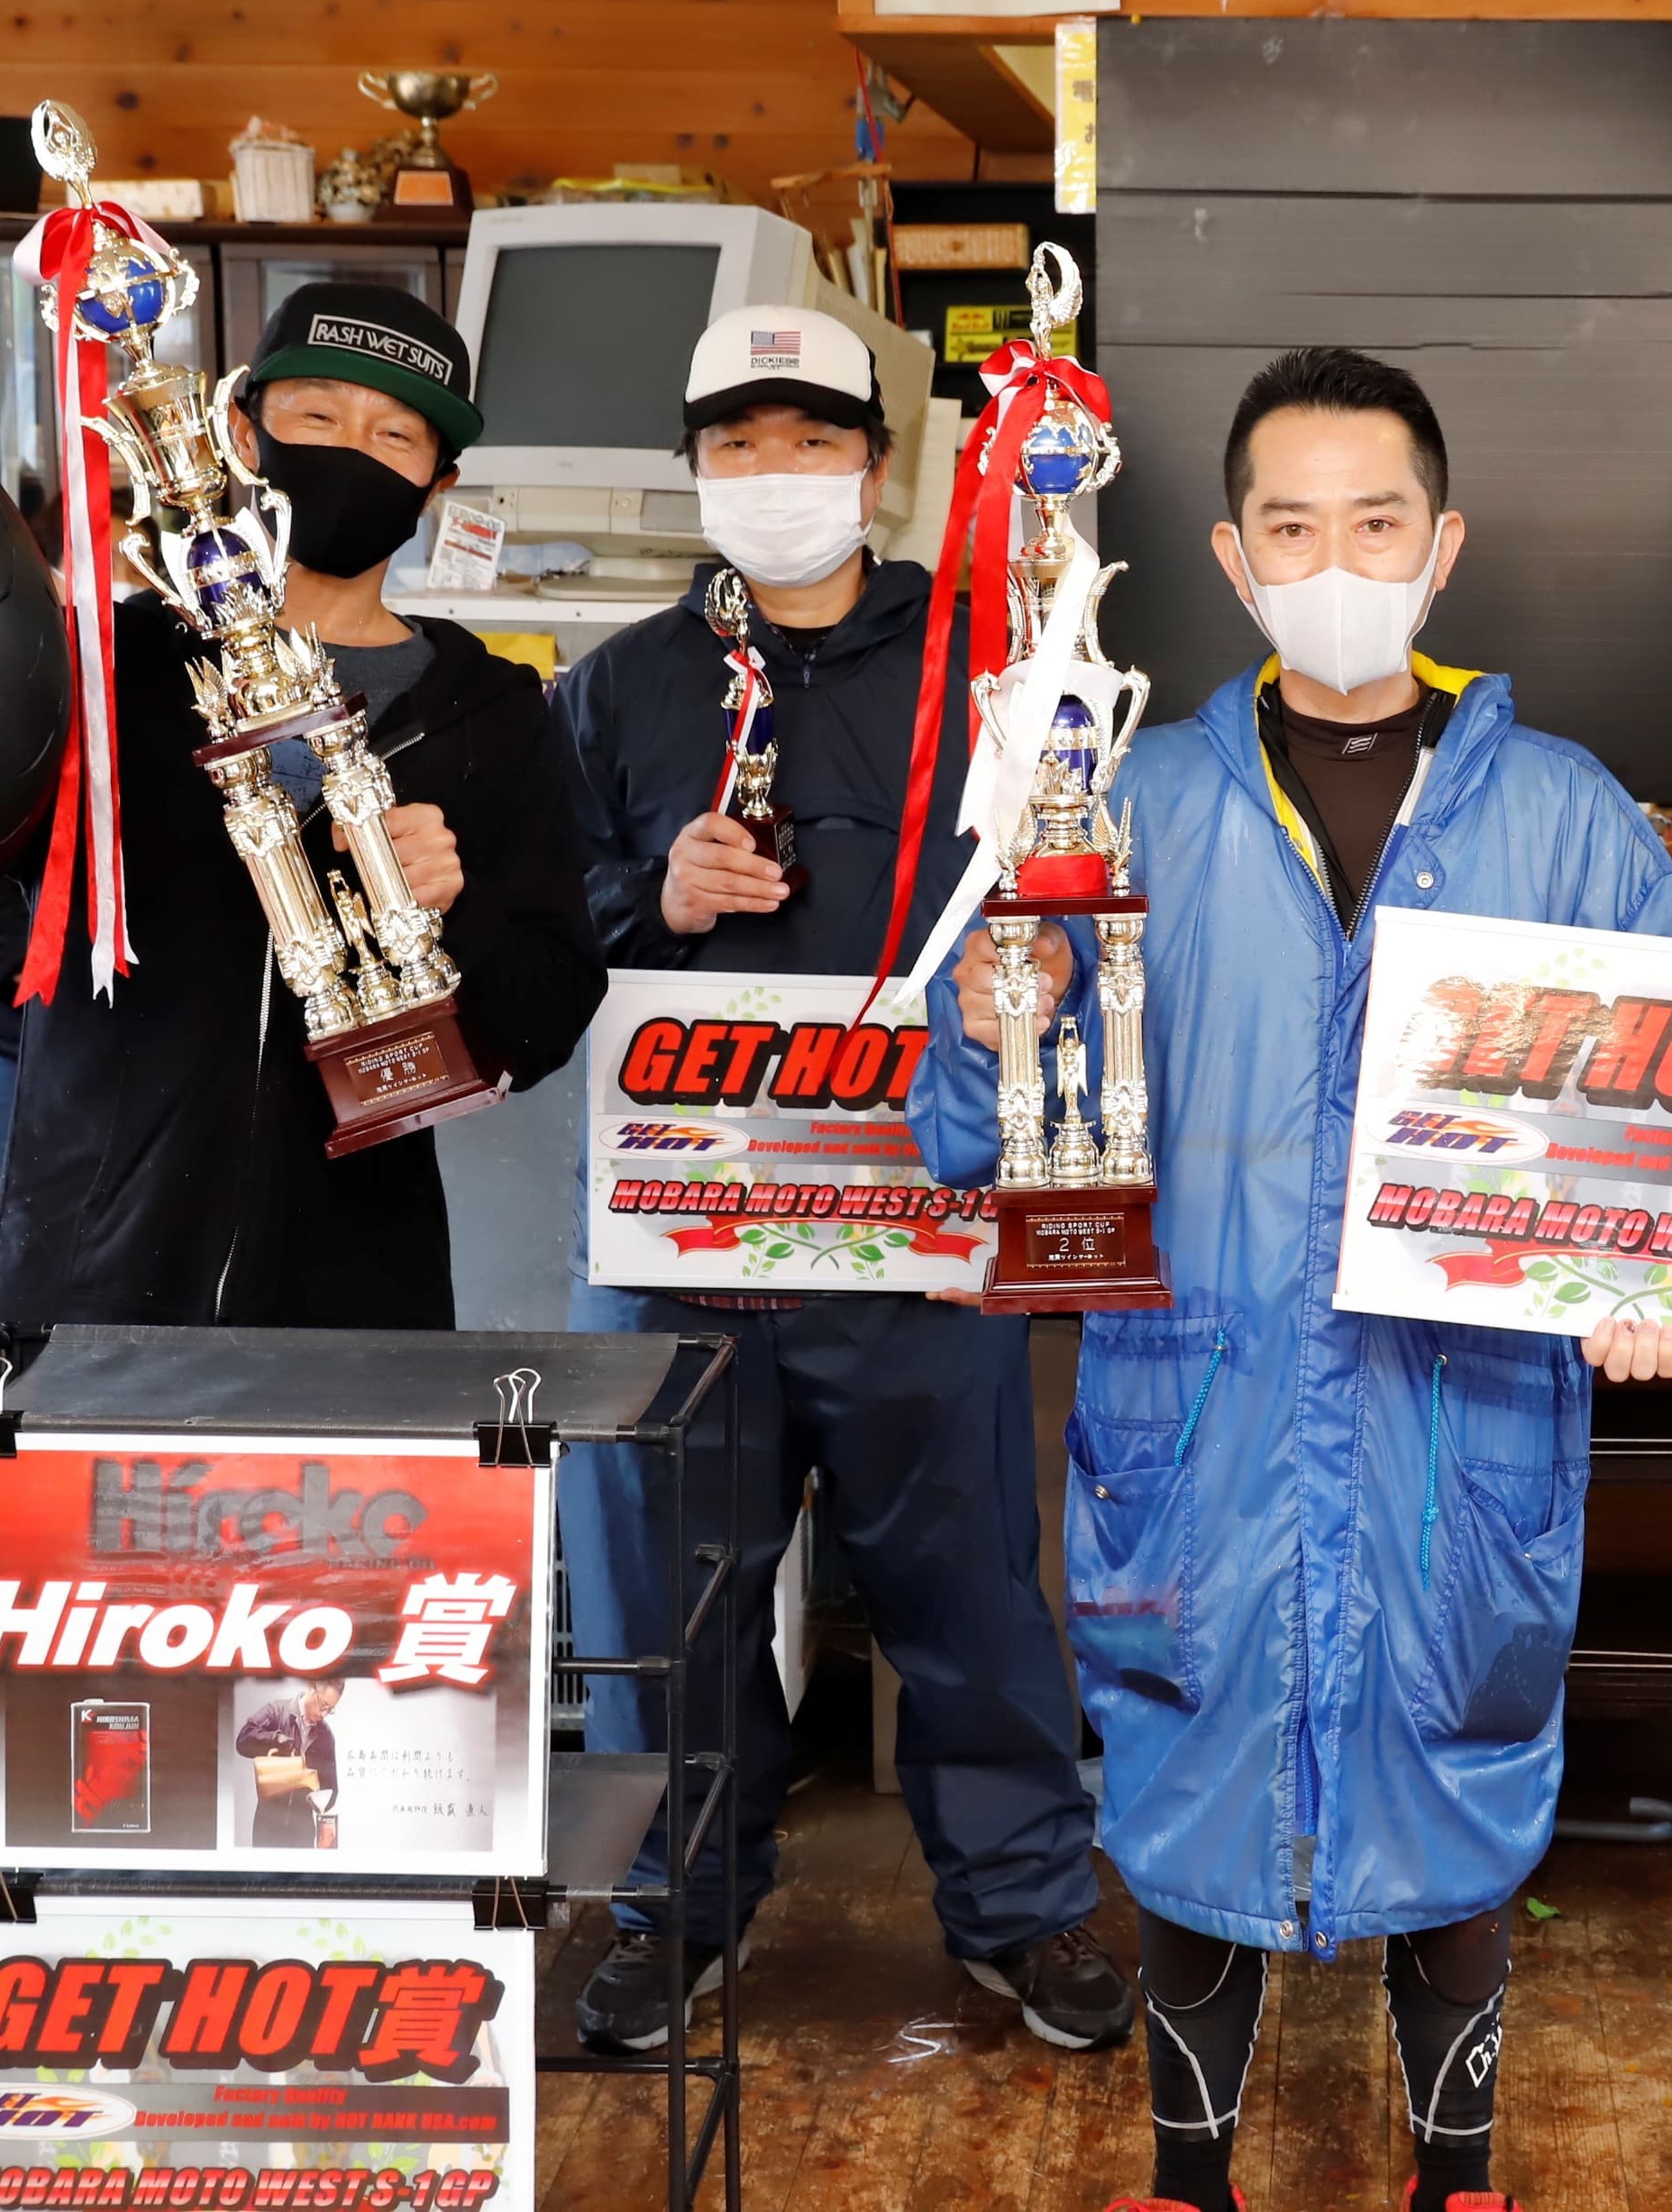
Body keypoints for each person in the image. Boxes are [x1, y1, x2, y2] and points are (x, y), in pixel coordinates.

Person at [912, 346, 1672, 2212]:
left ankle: (1458, 2180)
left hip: (1464, 1407)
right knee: (1190, 1762)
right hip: (1202, 1396)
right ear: (1228, 555)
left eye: (1374, 523)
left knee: (1457, 1756)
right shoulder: (1125, 796)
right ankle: (1187, 2185)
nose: (1333, 562)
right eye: (1290, 527)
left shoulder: (1566, 814)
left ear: (1443, 547)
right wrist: (994, 1006)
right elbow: (970, 1132)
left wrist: (1647, 1275)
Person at [551, 307, 1127, 2057]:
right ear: (694, 469)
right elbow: (534, 929)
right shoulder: (618, 685)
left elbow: (1082, 894)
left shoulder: (1000, 662)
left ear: (878, 465)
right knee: (662, 1599)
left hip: (913, 1221)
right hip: (680, 1232)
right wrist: (654, 898)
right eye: (737, 444)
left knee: (967, 1593)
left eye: (810, 441)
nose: (775, 474)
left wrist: (1040, 1008)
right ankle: (672, 1907)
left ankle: (1021, 1907)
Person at [0, 280, 605, 1330]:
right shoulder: (100, 665)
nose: (350, 453)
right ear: (241, 433)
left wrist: (456, 913)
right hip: (86, 1283)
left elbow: (543, 1021)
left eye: (394, 436)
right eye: (316, 416)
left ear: (437, 483)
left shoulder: (492, 714)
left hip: (357, 1305)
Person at [236, 1678, 346, 1848]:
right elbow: (243, 1740)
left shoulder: (325, 1736)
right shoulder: (276, 1711)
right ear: (311, 1687)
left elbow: (332, 1789)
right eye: (323, 1705)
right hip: (267, 1826)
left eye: (330, 1710)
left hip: (302, 1832)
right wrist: (276, 1739)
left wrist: (320, 1800)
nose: (323, 1714)